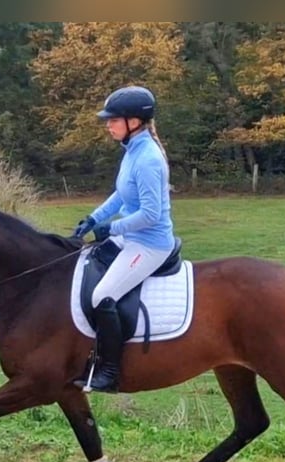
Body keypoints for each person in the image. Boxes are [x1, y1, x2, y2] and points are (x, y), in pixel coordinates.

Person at [72, 85, 176, 393]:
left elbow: (151, 215)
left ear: (134, 121)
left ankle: (110, 371)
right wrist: (94, 218)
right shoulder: (132, 151)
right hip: (131, 237)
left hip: (149, 244)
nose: (108, 124)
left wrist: (111, 229)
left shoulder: (147, 159)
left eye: (114, 119)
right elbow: (121, 194)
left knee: (102, 296)